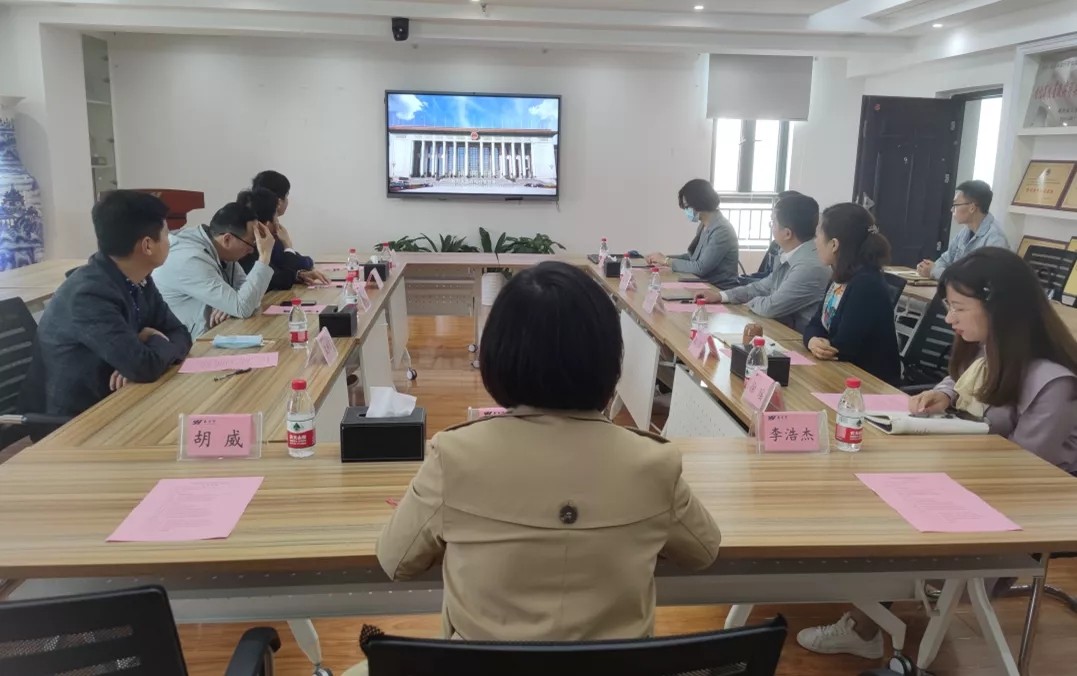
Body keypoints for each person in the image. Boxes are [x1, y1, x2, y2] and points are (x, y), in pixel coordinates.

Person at [375, 261, 722, 641]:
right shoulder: (654, 464)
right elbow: (703, 552)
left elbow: (396, 560)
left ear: (497, 355)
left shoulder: (453, 456)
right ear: (611, 360)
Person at [798, 246, 1077, 660]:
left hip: (1020, 505)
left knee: (888, 514)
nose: (949, 319)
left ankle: (865, 625)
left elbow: (1020, 472)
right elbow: (961, 380)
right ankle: (865, 611)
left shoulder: (1052, 383)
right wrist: (944, 395)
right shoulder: (992, 348)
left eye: (959, 308)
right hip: (972, 476)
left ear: (1000, 309)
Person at [20, 191, 192, 419]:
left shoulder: (138, 279)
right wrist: (150, 342)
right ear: (147, 246)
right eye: (166, 234)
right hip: (73, 420)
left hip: (118, 399)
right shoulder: (89, 294)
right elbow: (144, 366)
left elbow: (181, 333)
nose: (169, 242)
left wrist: (143, 350)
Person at [696, 193, 830, 332]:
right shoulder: (787, 253)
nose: (771, 227)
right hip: (780, 327)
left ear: (787, 234)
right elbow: (762, 287)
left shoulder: (809, 267)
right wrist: (721, 296)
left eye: (773, 223)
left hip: (796, 338)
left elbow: (771, 307)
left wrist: (746, 303)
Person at [803, 203, 901, 385]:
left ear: (834, 244)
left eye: (818, 235)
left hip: (868, 384)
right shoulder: (840, 277)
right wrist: (812, 341)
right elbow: (815, 324)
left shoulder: (866, 284)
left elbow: (843, 347)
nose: (815, 242)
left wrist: (819, 344)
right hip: (838, 372)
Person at [152, 202, 275, 338]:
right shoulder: (190, 259)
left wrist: (230, 305)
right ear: (227, 239)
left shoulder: (221, 251)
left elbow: (250, 299)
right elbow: (243, 307)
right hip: (186, 344)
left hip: (213, 334)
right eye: (252, 243)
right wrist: (265, 256)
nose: (252, 250)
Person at [645, 179, 740, 288]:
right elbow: (693, 258)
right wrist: (662, 259)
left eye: (687, 207)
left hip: (719, 289)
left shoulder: (722, 230)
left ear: (699, 202)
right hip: (703, 285)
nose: (686, 211)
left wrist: (666, 261)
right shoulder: (704, 225)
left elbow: (700, 268)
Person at [236, 187, 328, 290]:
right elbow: (284, 281)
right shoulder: (246, 250)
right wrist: (287, 245)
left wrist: (298, 275)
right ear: (265, 225)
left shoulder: (253, 243)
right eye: (276, 216)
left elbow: (277, 276)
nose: (277, 222)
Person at [916, 180, 1008, 280]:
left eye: (955, 205)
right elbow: (945, 260)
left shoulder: (996, 239)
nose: (952, 210)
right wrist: (928, 268)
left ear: (972, 208)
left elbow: (974, 281)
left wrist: (934, 271)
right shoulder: (966, 231)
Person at [738, 190, 802, 284]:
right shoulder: (775, 245)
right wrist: (743, 279)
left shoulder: (802, 258)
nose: (773, 214)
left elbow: (774, 285)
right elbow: (764, 274)